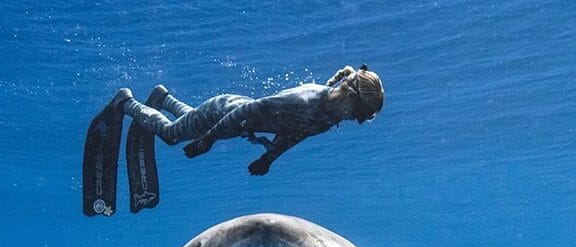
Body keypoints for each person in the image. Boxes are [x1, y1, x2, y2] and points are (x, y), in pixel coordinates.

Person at [110, 65, 384, 175]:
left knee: (192, 122)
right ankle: (126, 103)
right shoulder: (307, 102)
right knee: (172, 134)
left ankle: (163, 98)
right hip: (224, 112)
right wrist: (207, 141)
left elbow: (293, 135)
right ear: (351, 97)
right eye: (360, 114)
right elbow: (248, 111)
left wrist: (268, 159)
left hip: (232, 118)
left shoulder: (328, 116)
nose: (356, 120)